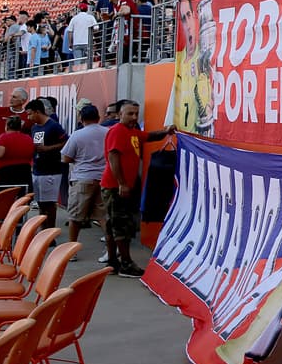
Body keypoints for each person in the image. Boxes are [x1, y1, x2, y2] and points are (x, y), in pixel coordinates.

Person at [101, 101, 175, 278]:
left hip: (120, 186)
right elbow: (113, 157)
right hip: (115, 187)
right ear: (120, 115)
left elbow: (148, 136)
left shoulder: (132, 132)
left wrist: (166, 131)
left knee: (114, 226)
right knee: (121, 227)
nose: (134, 117)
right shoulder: (117, 131)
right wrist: (122, 183)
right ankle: (125, 264)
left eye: (136, 113)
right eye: (130, 114)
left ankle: (113, 262)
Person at [61, 104, 108, 258]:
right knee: (103, 216)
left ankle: (71, 250)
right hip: (103, 178)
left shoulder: (78, 135)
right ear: (98, 117)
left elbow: (66, 157)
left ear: (81, 118)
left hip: (82, 178)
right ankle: (110, 249)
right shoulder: (107, 133)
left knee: (75, 217)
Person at [26, 100, 67, 231]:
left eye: (30, 114)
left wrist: (49, 148)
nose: (29, 118)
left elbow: (66, 141)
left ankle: (50, 230)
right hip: (38, 169)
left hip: (51, 170)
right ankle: (43, 229)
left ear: (38, 112)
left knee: (49, 203)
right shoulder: (35, 127)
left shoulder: (53, 126)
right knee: (41, 203)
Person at [67, 1, 98, 70]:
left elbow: (70, 31)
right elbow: (96, 28)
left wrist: (70, 43)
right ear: (87, 9)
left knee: (77, 63)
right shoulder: (90, 17)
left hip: (77, 43)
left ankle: (78, 78)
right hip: (88, 42)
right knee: (88, 62)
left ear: (79, 9)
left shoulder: (74, 18)